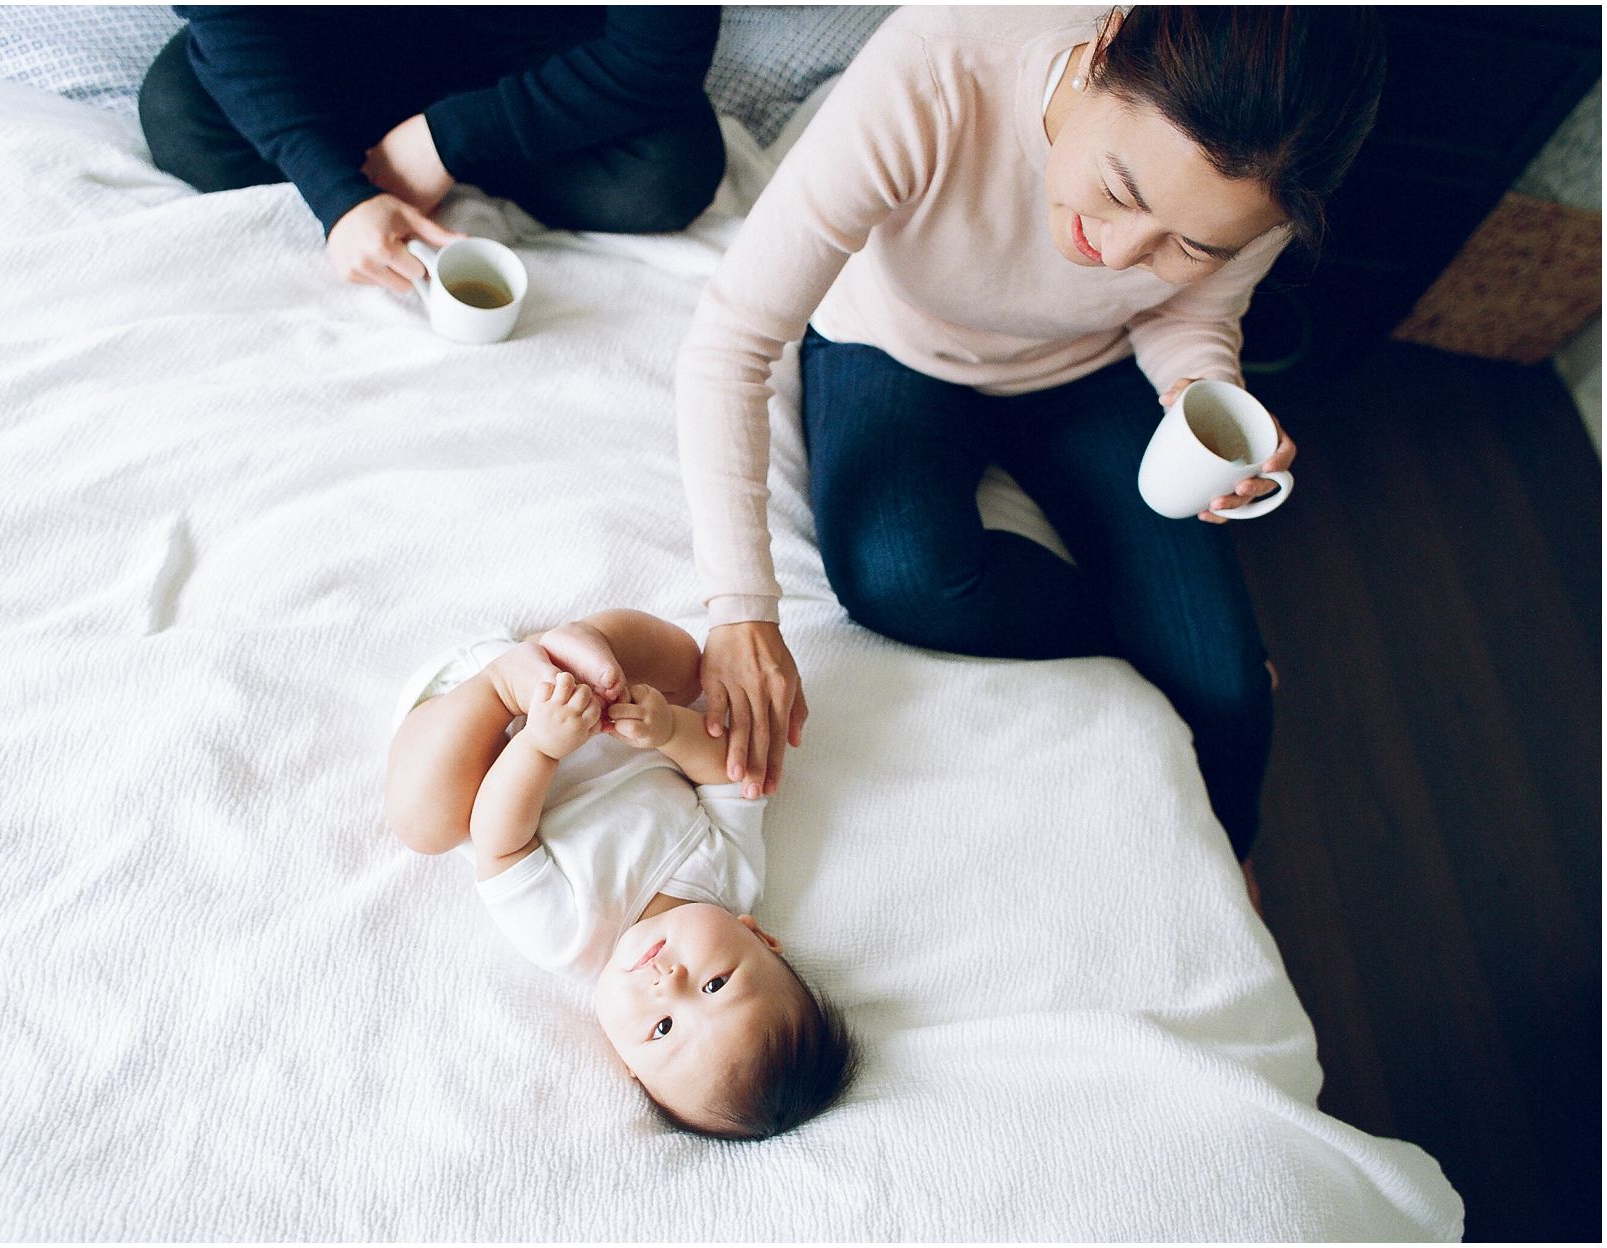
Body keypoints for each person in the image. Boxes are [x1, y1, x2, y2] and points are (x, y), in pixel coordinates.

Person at [674, 6, 1385, 876]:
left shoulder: (1267, 183)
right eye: (1123, 193)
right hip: (895, 342)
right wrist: (740, 609)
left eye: (1188, 243)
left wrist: (1202, 393)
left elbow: (1195, 311)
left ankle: (1230, 856)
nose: (1118, 253)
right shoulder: (937, 69)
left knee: (1232, 693)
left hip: (1086, 370)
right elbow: (732, 339)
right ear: (1097, 54)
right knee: (900, 575)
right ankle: (1152, 639)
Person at [384, 611, 856, 1140]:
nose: (668, 983)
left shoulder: (571, 940)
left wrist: (540, 746)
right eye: (715, 983)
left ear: (626, 1059)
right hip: (592, 688)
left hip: (478, 731)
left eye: (662, 1028)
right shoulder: (733, 877)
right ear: (759, 937)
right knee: (685, 664)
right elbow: (724, 776)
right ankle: (573, 647)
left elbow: (499, 844)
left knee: (425, 824)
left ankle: (500, 681)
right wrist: (669, 729)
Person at [141, 7, 727, 293]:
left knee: (665, 175)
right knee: (183, 111)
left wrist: (446, 140)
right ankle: (389, 153)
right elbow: (230, 20)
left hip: (538, 44)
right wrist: (339, 197)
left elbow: (657, 58)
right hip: (347, 36)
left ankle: (427, 143)